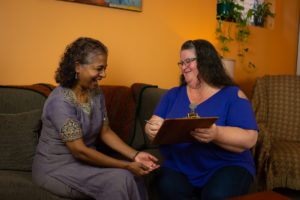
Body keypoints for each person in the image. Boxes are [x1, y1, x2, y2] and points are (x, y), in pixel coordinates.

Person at [32, 37, 159, 200]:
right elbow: (79, 151)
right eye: (99, 69)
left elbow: (105, 131)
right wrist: (127, 165)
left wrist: (136, 155)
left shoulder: (95, 92)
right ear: (78, 67)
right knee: (121, 178)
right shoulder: (60, 102)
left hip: (85, 163)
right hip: (55, 169)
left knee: (136, 176)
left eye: (105, 68)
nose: (104, 74)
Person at [145, 39, 258, 200]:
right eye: (181, 63)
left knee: (216, 195)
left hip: (226, 165)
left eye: (188, 61)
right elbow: (153, 122)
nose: (184, 67)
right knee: (165, 186)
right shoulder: (173, 94)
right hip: (180, 166)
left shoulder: (233, 94)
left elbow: (250, 138)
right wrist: (151, 128)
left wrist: (216, 133)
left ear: (206, 61)